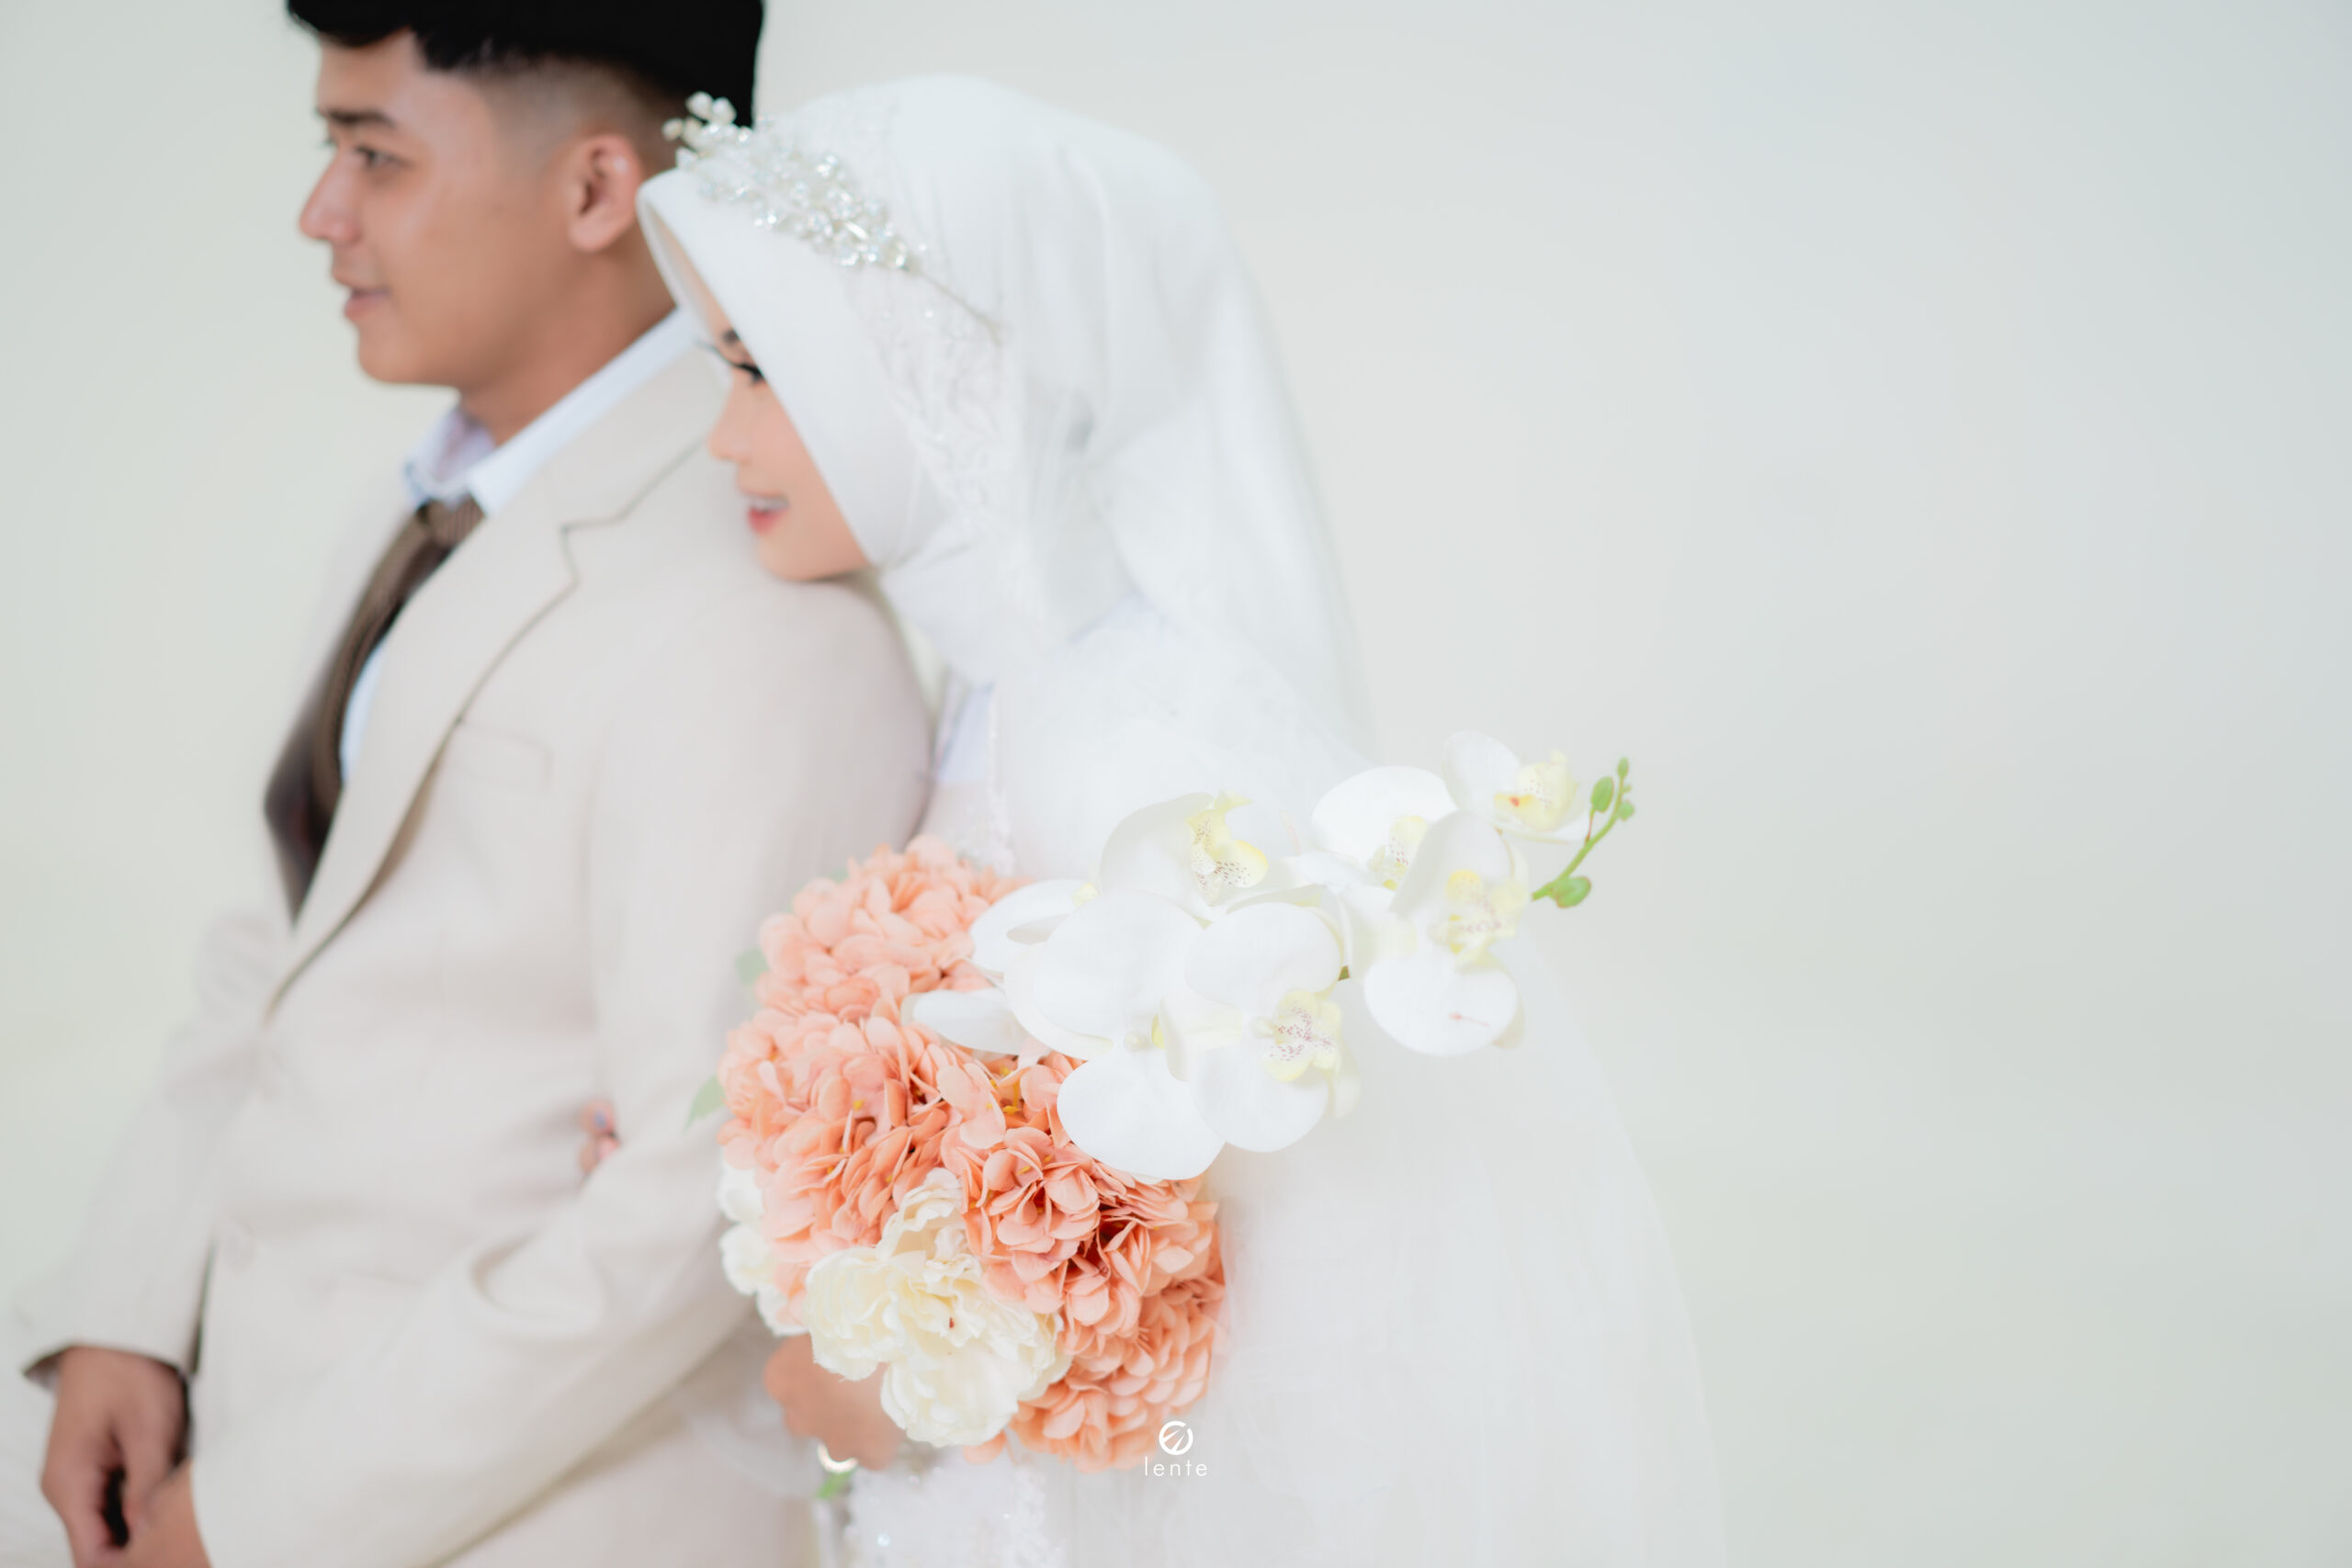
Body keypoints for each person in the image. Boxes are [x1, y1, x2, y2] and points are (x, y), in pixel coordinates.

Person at [628, 76, 1727, 1564]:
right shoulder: (1002, 687)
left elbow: (1294, 1330)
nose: (723, 438)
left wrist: (904, 1389)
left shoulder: (1138, 743)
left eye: (761, 371)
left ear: (921, 367)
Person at [0, 6, 932, 1566]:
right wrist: (131, 1312)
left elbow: (691, 1198)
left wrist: (259, 1521)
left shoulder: (759, 598)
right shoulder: (433, 503)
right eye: (329, 151)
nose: (322, 214)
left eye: (375, 156)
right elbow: (282, 945)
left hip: (521, 1513)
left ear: (597, 190)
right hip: (245, 1416)